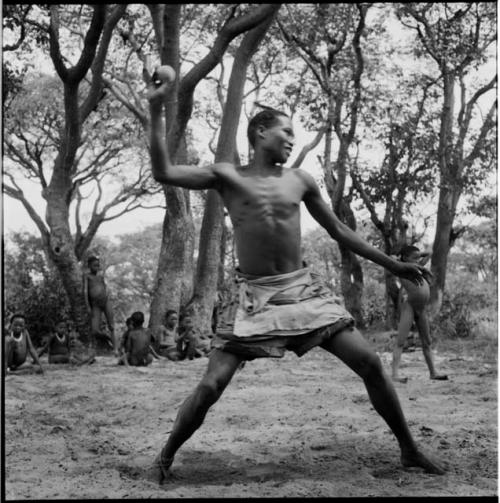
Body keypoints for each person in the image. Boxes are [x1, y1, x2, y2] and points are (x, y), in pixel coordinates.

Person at [147, 80, 446, 483]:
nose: (291, 139)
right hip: (254, 297)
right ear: (260, 132)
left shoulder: (300, 180)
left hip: (303, 292)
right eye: (286, 131)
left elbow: (340, 229)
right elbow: (163, 171)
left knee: (370, 363)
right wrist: (155, 109)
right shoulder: (226, 175)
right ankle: (164, 457)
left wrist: (393, 264)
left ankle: (409, 449)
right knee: (212, 385)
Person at [391, 245, 448, 383]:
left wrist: (417, 256)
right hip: (409, 307)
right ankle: (394, 375)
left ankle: (433, 372)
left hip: (421, 309)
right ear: (404, 258)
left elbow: (429, 252)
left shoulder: (418, 267)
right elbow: (391, 259)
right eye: (414, 258)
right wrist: (401, 257)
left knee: (427, 341)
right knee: (401, 341)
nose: (417, 261)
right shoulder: (401, 269)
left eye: (418, 258)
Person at [83, 255, 118, 355]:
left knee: (111, 326)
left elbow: (104, 286)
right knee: (95, 330)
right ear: (89, 265)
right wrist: (87, 306)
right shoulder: (87, 276)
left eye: (98, 265)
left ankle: (116, 349)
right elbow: (85, 291)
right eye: (94, 265)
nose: (96, 267)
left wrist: (107, 294)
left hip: (105, 301)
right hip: (95, 304)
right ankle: (107, 338)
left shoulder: (100, 275)